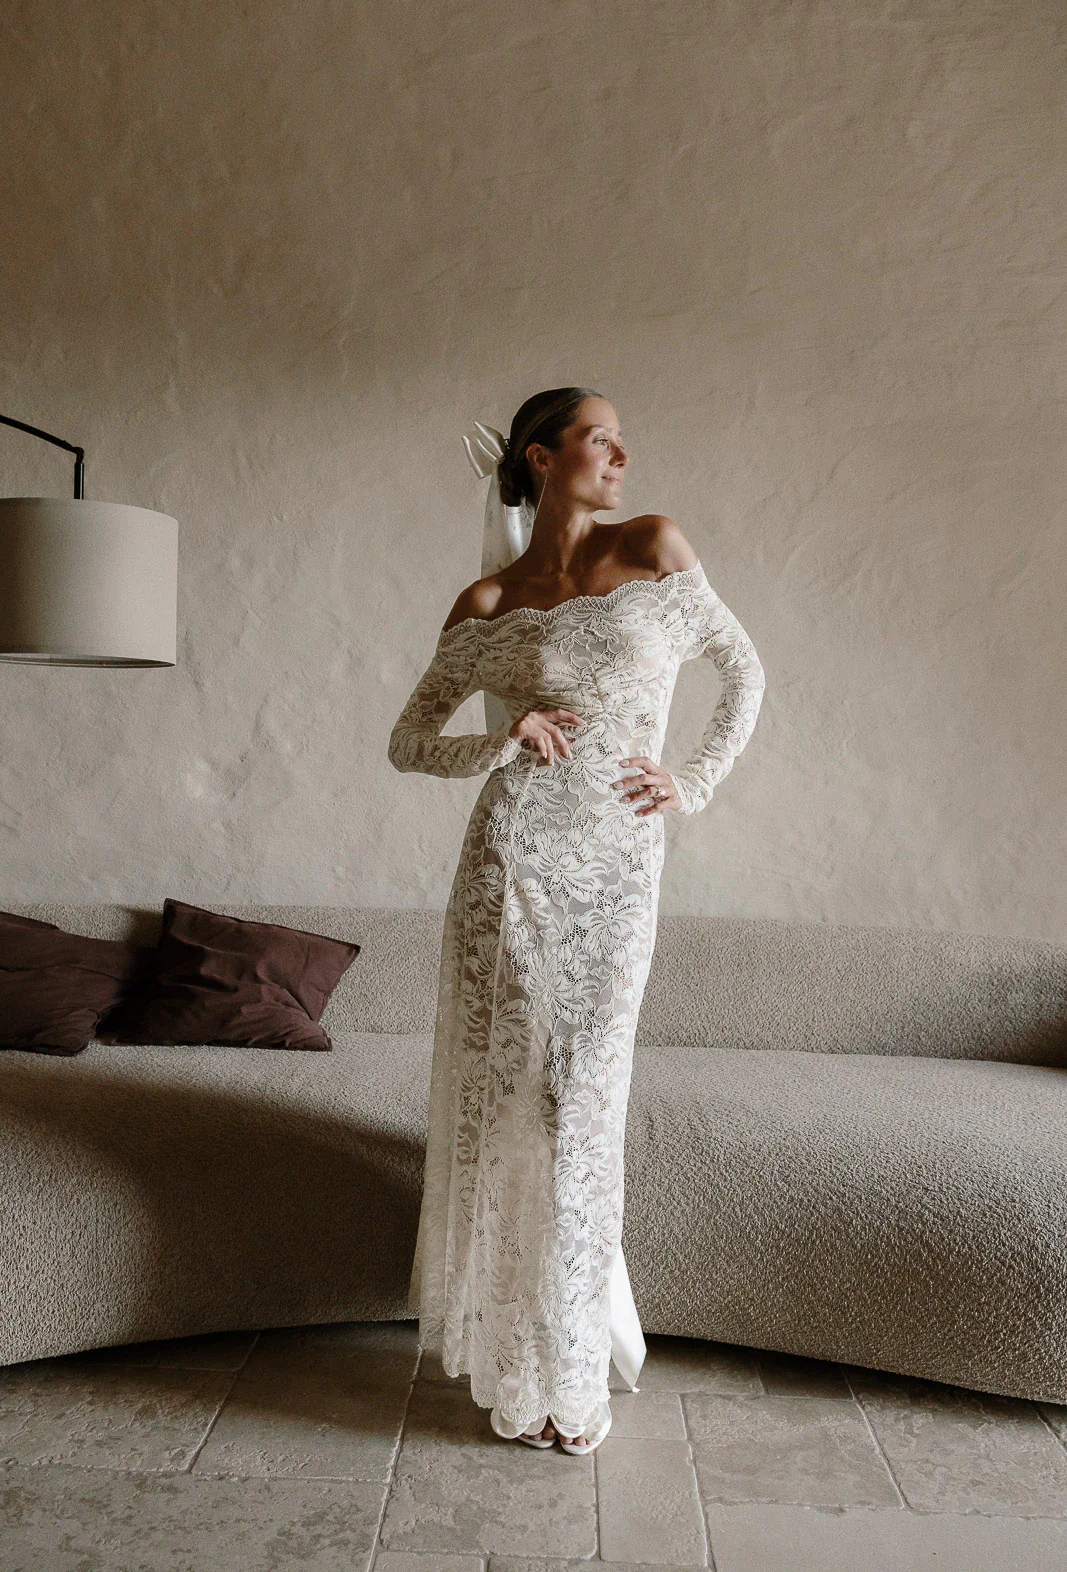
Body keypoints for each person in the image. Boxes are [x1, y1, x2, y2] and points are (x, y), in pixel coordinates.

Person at [388, 386, 766, 1454]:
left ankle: (574, 1373)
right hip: (508, 868)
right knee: (519, 1102)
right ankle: (524, 1365)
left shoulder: (653, 546)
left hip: (615, 873)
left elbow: (742, 674)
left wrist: (686, 780)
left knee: (582, 1105)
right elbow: (408, 740)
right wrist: (501, 746)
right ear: (540, 456)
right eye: (601, 439)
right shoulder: (488, 600)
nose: (623, 454)